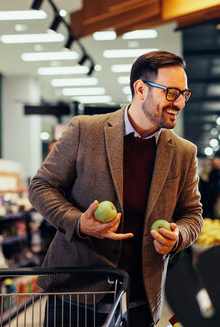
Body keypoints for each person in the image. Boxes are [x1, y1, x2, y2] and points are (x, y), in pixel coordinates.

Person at [28, 51, 203, 327]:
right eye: (171, 93)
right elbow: (41, 187)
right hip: (76, 294)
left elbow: (193, 214)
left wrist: (178, 235)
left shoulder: (183, 152)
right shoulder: (86, 130)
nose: (179, 102)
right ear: (141, 89)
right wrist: (79, 223)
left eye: (184, 93)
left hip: (140, 299)